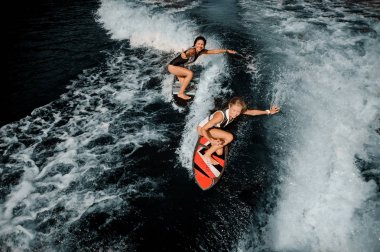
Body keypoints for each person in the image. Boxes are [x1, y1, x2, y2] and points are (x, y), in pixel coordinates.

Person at [197, 97, 280, 165]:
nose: (235, 114)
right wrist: (211, 140)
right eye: (234, 110)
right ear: (229, 106)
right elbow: (204, 128)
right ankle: (206, 155)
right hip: (203, 129)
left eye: (238, 112)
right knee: (229, 137)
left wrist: (269, 111)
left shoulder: (238, 110)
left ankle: (212, 143)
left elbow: (252, 112)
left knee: (219, 153)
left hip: (214, 129)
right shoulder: (219, 116)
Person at [168, 36, 237, 100]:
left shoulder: (201, 51)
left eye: (202, 44)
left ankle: (180, 77)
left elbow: (214, 51)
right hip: (172, 67)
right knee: (190, 74)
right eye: (198, 44)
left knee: (186, 85)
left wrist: (226, 50)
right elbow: (187, 53)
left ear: (204, 46)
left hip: (180, 66)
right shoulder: (192, 51)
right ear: (195, 44)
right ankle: (180, 94)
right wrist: (184, 55)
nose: (200, 46)